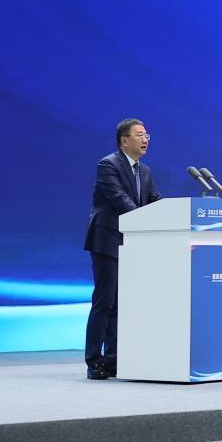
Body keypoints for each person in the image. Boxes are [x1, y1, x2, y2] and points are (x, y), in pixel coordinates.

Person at [83, 118, 160, 380]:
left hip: (131, 243)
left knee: (121, 304)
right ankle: (94, 361)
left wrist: (175, 212)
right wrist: (143, 218)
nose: (145, 139)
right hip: (107, 241)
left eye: (147, 134)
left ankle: (113, 360)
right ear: (124, 140)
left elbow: (154, 200)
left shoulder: (144, 171)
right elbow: (120, 200)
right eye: (140, 134)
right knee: (105, 302)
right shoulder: (108, 165)